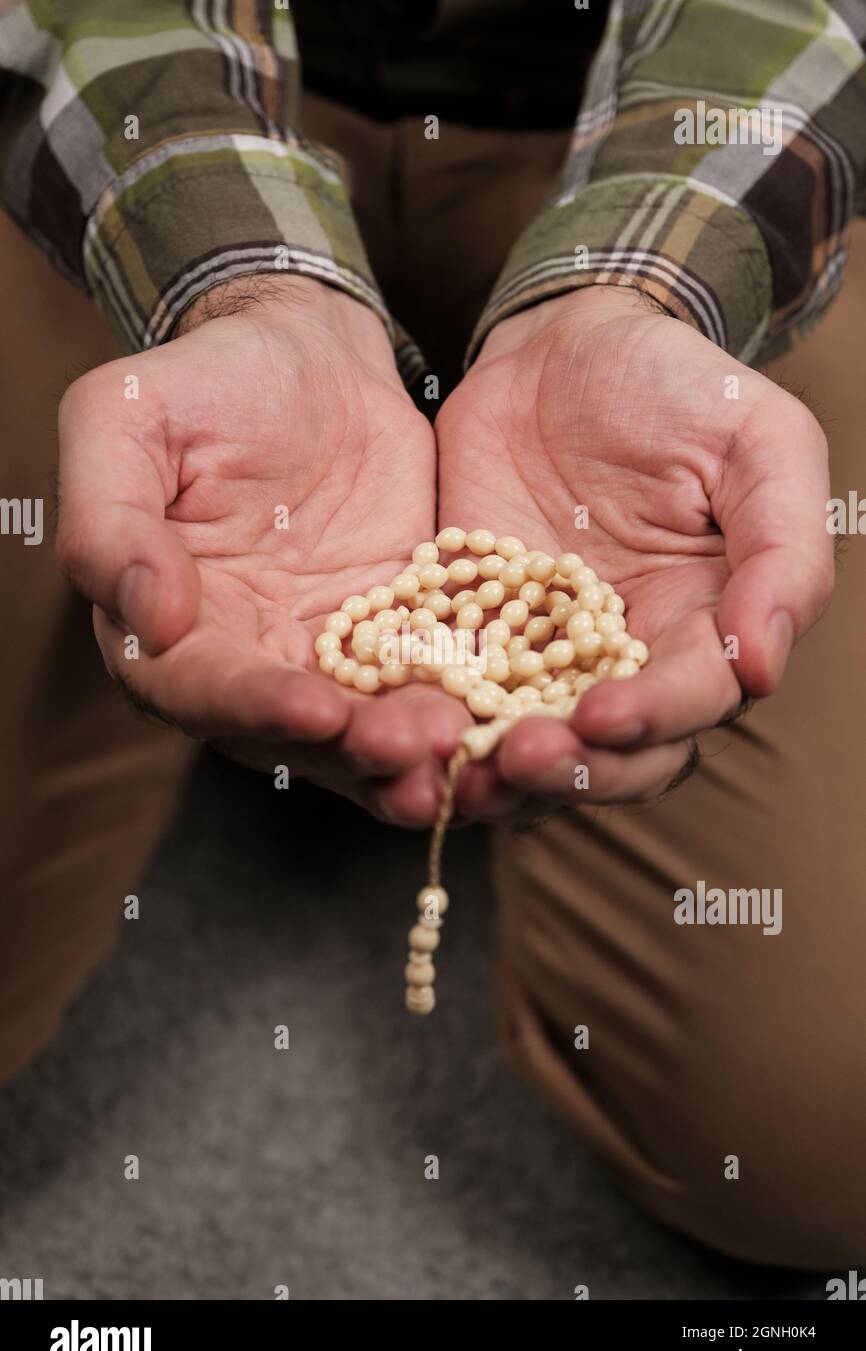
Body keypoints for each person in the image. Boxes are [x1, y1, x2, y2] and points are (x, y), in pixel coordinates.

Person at [0, 0, 863, 1267]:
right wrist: (239, 276)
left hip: (663, 140)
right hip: (155, 127)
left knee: (810, 1145)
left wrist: (641, 290)